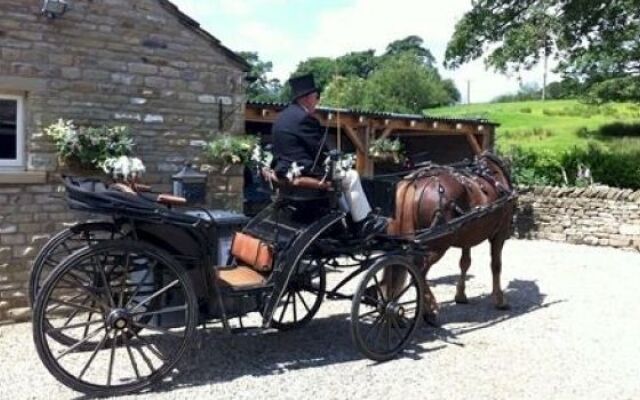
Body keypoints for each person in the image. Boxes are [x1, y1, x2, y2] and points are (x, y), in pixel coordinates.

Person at [272, 74, 387, 238]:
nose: (317, 102)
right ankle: (363, 223)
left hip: (285, 170)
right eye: (316, 97)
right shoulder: (304, 119)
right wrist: (334, 160)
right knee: (351, 176)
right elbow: (319, 150)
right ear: (307, 98)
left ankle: (347, 218)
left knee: (339, 179)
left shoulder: (282, 117)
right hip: (305, 172)